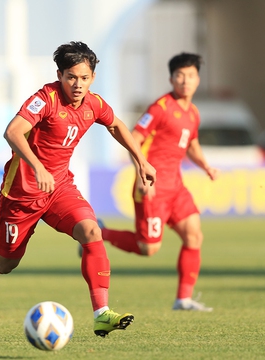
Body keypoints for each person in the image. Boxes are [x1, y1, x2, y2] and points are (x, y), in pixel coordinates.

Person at [0, 41, 156, 337]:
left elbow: (116, 126)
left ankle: (101, 314)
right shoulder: (44, 99)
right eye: (71, 77)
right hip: (22, 194)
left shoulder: (94, 104)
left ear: (92, 78)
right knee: (5, 262)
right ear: (60, 75)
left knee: (91, 231)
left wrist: (141, 161)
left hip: (59, 187)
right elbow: (12, 131)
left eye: (84, 78)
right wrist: (37, 167)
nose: (78, 84)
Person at [97, 52, 218, 311]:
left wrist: (205, 165)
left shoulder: (193, 113)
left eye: (191, 75)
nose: (185, 81)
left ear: (198, 79)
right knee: (148, 248)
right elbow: (134, 140)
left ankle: (183, 299)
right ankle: (99, 233)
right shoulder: (160, 108)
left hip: (176, 187)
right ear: (171, 78)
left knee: (194, 236)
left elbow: (192, 145)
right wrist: (143, 173)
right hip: (152, 188)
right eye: (180, 75)